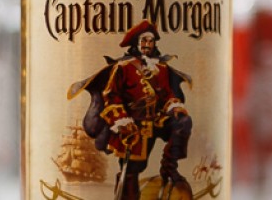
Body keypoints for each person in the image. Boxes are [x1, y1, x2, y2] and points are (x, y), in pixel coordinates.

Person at [69, 20, 192, 200]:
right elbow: (111, 96)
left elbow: (167, 94)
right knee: (133, 169)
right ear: (136, 43)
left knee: (183, 122)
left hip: (156, 120)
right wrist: (122, 121)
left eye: (150, 41)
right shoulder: (123, 68)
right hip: (133, 125)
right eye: (144, 41)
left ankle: (169, 167)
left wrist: (174, 106)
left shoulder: (161, 69)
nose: (147, 45)